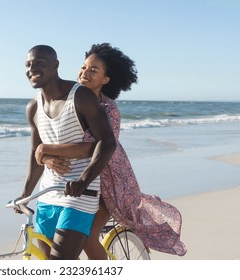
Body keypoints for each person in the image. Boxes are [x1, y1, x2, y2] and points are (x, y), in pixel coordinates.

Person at [35, 43, 187, 259]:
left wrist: (45, 149)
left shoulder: (109, 110)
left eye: (93, 70)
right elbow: (60, 139)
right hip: (75, 181)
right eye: (83, 67)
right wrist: (48, 158)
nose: (84, 73)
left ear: (106, 79)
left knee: (87, 236)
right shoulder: (71, 101)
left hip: (109, 183)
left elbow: (91, 149)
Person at [17, 45, 116, 260]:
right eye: (28, 65)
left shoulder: (80, 96)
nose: (32, 68)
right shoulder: (33, 107)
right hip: (47, 193)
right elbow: (36, 152)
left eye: (39, 63)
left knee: (59, 263)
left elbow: (107, 141)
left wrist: (83, 180)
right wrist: (25, 194)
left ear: (55, 65)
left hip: (79, 195)